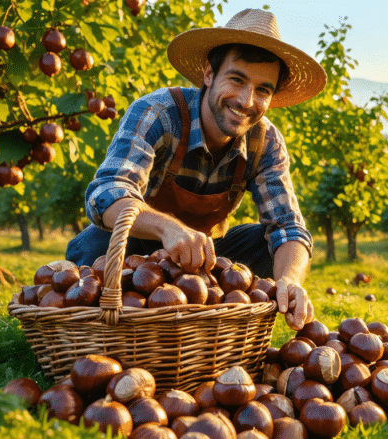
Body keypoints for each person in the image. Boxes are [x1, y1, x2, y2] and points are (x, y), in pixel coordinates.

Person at [65, 9, 326, 330]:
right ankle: (104, 329)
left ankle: (222, 326)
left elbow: (289, 226)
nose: (247, 101)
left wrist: (290, 279)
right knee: (95, 244)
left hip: (205, 257)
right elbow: (107, 192)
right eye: (237, 80)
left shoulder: (265, 141)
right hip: (138, 245)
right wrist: (168, 229)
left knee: (271, 244)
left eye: (263, 90)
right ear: (209, 74)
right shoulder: (158, 112)